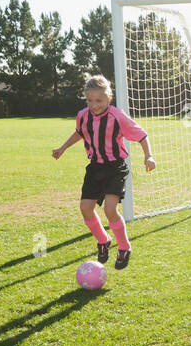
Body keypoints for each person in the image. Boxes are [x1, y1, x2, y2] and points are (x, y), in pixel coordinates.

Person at [52, 75, 156, 268]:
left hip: (115, 167)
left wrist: (148, 156)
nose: (94, 105)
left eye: (98, 100)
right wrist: (63, 147)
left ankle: (124, 247)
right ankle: (103, 240)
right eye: (89, 100)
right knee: (85, 208)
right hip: (95, 167)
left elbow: (141, 135)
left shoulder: (117, 116)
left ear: (109, 97)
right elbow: (80, 132)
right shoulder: (83, 115)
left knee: (110, 209)